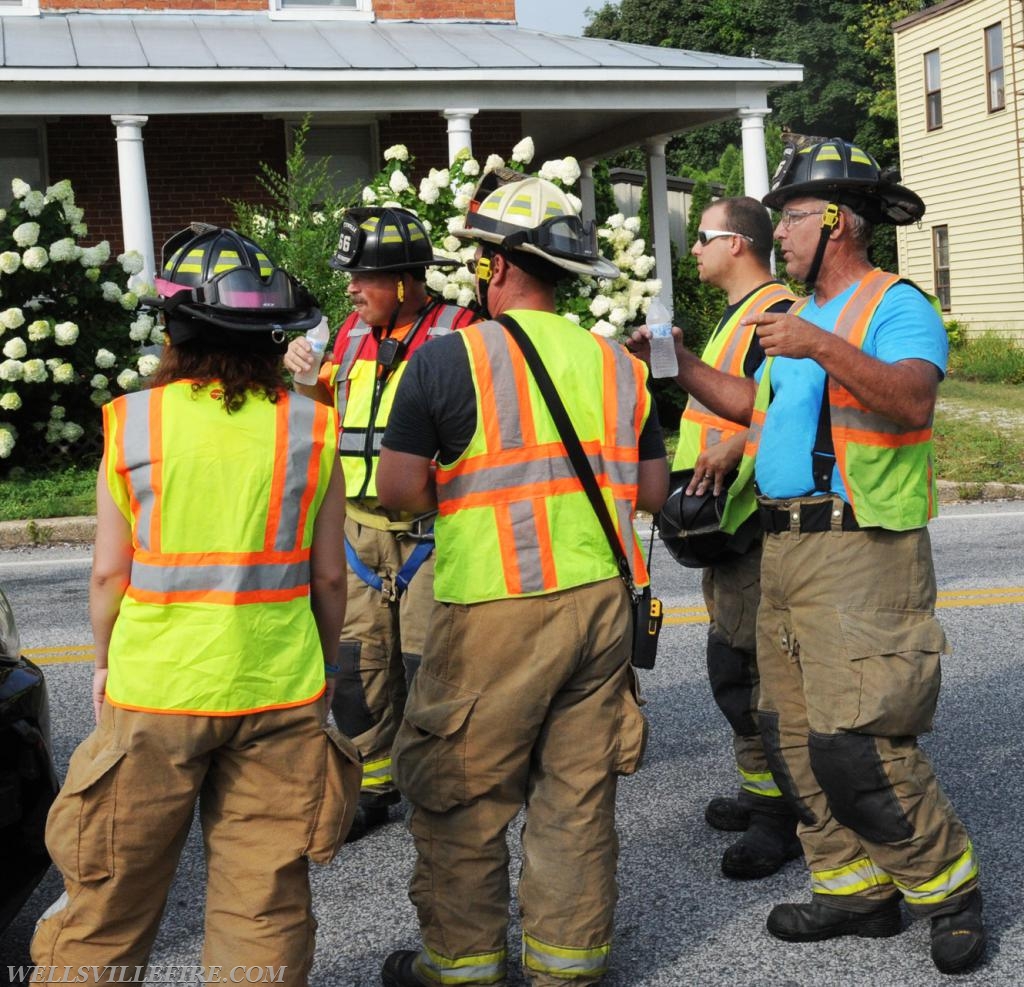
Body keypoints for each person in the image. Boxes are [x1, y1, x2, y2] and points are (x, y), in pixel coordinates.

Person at [638, 138, 985, 975]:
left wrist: (817, 345)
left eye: (790, 217)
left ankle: (949, 893)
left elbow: (909, 400)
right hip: (785, 545)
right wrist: (677, 364)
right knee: (785, 729)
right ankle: (852, 886)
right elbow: (762, 410)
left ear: (836, 222)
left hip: (860, 547)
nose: (778, 233)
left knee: (858, 738)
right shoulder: (800, 320)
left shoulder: (891, 305)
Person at [31, 225, 361, 985]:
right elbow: (331, 581)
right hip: (278, 688)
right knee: (264, 904)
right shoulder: (312, 427)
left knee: (109, 894)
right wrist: (328, 662)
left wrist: (106, 662)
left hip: (156, 692)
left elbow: (110, 575)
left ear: (173, 325)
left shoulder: (133, 421)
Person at [374, 176, 668, 987]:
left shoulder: (446, 361)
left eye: (477, 258)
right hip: (603, 606)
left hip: (494, 608)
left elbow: (398, 491)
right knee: (575, 795)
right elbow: (650, 492)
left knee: (462, 793)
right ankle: (566, 968)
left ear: (499, 268)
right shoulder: (616, 365)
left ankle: (465, 966)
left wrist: (466, 491)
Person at [284, 207, 477, 841]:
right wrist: (308, 382)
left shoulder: (464, 333)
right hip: (360, 532)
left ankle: (436, 780)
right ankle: (371, 779)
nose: (349, 289)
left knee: (430, 662)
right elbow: (330, 420)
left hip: (434, 530)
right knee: (357, 664)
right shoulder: (349, 335)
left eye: (361, 277)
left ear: (401, 279)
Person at [665, 196, 801, 879]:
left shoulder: (774, 315)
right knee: (734, 670)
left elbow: (784, 405)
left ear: (739, 245)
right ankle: (761, 793)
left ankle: (783, 818)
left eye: (704, 237)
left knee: (750, 674)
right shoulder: (735, 318)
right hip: (722, 522)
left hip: (750, 523)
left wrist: (741, 444)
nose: (694, 249)